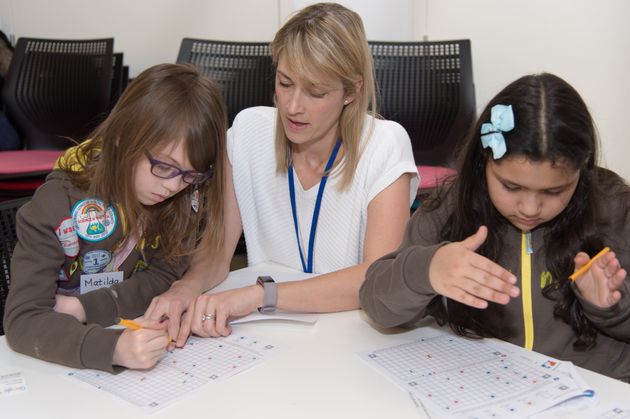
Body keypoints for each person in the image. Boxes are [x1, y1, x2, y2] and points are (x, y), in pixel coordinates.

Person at [144, 2, 419, 342]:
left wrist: (263, 295)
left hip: (350, 331)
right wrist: (186, 287)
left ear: (351, 91)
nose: (293, 107)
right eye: (285, 82)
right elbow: (217, 252)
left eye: (316, 92)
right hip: (267, 333)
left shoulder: (384, 145)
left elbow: (378, 276)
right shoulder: (247, 133)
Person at [359, 72, 630, 381]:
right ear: (483, 162)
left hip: (599, 393)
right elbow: (376, 305)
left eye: (554, 192)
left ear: (582, 171)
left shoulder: (614, 207)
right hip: (489, 388)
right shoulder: (451, 207)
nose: (529, 209)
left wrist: (610, 308)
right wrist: (427, 270)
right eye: (511, 187)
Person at [3, 63, 227, 372]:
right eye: (164, 167)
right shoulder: (57, 206)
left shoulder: (182, 198)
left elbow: (164, 275)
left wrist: (87, 307)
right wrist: (112, 349)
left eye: (191, 173)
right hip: (52, 363)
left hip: (117, 338)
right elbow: (23, 320)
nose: (174, 186)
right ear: (123, 136)